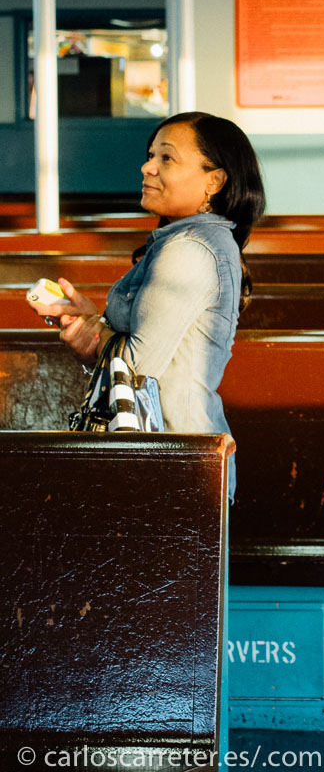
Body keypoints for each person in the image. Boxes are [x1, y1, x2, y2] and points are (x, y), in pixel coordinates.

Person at [28, 111, 266, 497]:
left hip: (175, 461)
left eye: (166, 158)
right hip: (174, 454)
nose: (147, 167)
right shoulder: (190, 240)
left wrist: (95, 332)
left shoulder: (191, 249)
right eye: (150, 155)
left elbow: (138, 368)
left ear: (215, 180)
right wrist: (91, 324)